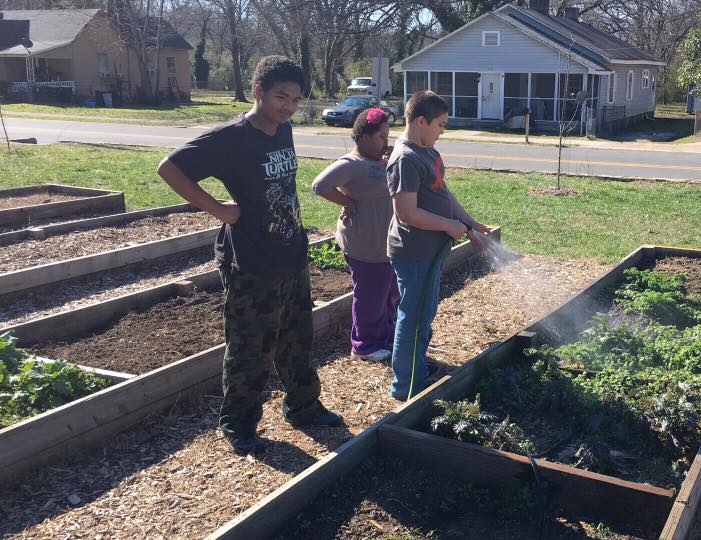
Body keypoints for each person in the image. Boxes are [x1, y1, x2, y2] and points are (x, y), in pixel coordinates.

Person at [156, 55, 342, 455]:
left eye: (295, 99)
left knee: (297, 337)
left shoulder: (283, 129)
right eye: (281, 97)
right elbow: (169, 168)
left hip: (291, 253)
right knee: (250, 347)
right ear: (258, 91)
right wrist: (220, 210)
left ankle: (303, 407)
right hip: (252, 262)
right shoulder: (230, 137)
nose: (289, 106)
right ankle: (238, 425)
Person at [387, 90, 491, 401]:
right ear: (421, 120)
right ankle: (405, 385)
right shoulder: (404, 159)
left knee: (423, 313)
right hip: (414, 253)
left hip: (430, 251)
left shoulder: (428, 152)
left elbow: (444, 195)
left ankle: (417, 370)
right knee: (414, 316)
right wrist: (448, 225)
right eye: (440, 125)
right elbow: (406, 213)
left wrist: (470, 224)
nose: (442, 132)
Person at [311, 108, 398, 363]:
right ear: (364, 136)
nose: (386, 141)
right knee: (370, 295)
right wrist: (347, 202)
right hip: (365, 243)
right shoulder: (352, 164)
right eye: (382, 136)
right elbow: (319, 185)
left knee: (387, 291)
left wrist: (389, 158)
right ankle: (364, 345)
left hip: (384, 243)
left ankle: (383, 334)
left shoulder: (379, 160)